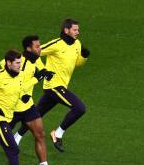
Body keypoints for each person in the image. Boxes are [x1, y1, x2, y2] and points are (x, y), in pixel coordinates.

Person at [15, 19, 90, 151]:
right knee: (80, 108)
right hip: (54, 86)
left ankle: (16, 137)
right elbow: (34, 53)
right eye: (75, 30)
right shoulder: (56, 44)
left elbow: (75, 64)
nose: (78, 32)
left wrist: (83, 57)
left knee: (35, 115)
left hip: (61, 86)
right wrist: (42, 70)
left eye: (78, 30)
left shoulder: (77, 44)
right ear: (66, 30)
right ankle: (58, 133)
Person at [6, 35, 63, 165]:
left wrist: (46, 74)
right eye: (37, 46)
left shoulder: (35, 59)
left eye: (40, 45)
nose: (40, 48)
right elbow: (17, 85)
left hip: (28, 107)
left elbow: (41, 69)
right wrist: (37, 79)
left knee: (40, 134)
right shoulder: (22, 64)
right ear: (28, 48)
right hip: (13, 108)